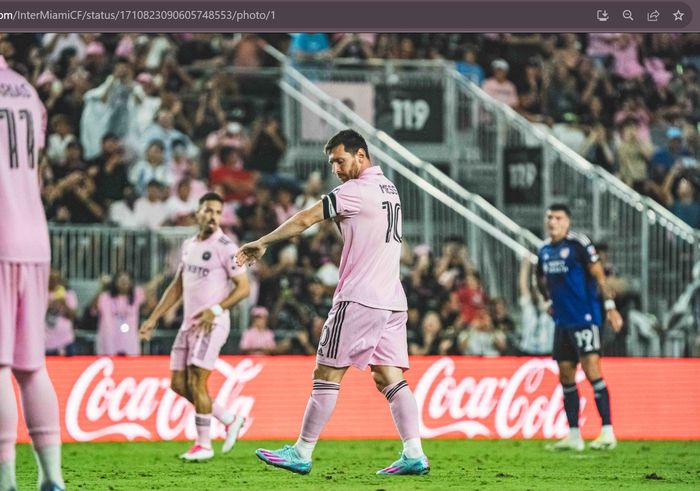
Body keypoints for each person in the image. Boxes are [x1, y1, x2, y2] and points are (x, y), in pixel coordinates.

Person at [236, 129, 430, 476]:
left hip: (359, 297)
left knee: (326, 372)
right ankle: (414, 453)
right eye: (331, 164)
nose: (337, 169)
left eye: (340, 160)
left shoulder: (355, 190)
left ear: (361, 156)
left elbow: (306, 218)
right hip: (391, 299)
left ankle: (301, 451)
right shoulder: (389, 188)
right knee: (388, 376)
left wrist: (263, 242)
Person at [139, 192, 249, 461]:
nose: (212, 216)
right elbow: (176, 287)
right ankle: (229, 418)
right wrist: (153, 318)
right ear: (197, 213)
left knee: (197, 381)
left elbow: (244, 288)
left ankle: (204, 445)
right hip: (189, 324)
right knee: (178, 384)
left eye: (217, 212)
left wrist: (216, 309)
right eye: (208, 211)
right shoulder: (189, 245)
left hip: (212, 323)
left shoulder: (226, 247)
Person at [0, 55, 65, 491]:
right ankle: (52, 478)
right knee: (32, 367)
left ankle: (5, 480)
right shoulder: (26, 90)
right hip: (33, 236)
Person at [536, 204, 623, 451]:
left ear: (567, 222)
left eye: (558, 217)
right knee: (565, 374)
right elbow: (539, 279)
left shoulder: (578, 244)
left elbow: (599, 276)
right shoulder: (543, 250)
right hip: (562, 322)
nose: (552, 221)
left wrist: (610, 307)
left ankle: (607, 431)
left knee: (591, 368)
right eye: (549, 217)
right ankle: (574, 435)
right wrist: (548, 301)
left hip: (584, 318)